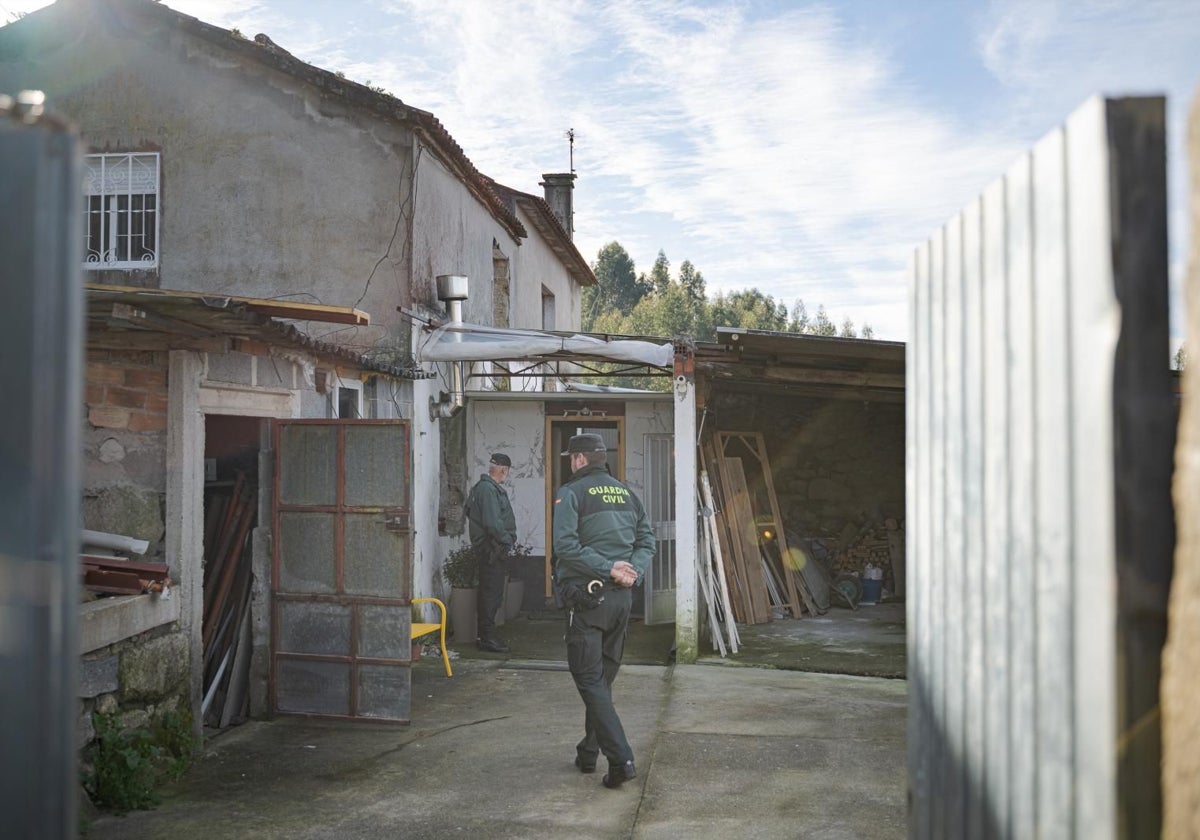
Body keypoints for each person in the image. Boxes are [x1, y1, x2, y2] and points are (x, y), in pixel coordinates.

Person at [552, 433, 654, 789]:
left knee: (590, 682)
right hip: (621, 603)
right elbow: (647, 540)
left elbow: (564, 546)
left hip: (588, 600)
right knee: (602, 685)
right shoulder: (626, 493)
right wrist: (633, 570)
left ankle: (621, 758)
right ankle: (588, 753)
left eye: (571, 457)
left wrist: (609, 567)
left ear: (579, 459)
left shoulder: (572, 493)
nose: (571, 462)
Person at [464, 452, 517, 653]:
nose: (507, 475)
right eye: (507, 472)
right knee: (491, 594)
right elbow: (493, 523)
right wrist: (507, 539)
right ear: (503, 470)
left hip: (492, 548)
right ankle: (486, 638)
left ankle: (486, 635)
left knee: (491, 592)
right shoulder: (488, 489)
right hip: (491, 549)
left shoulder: (486, 488)